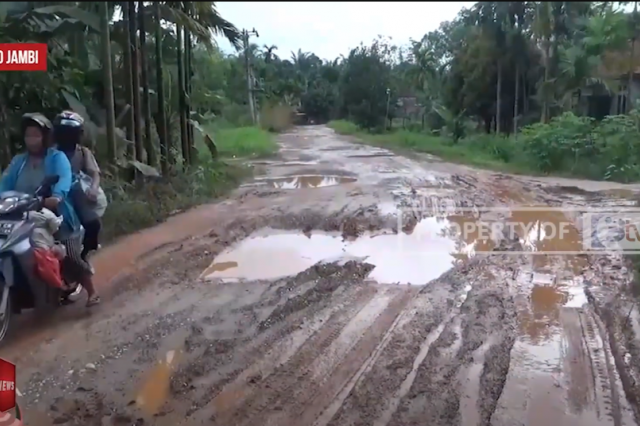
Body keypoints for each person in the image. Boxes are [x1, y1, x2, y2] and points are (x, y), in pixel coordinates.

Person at [0, 113, 100, 307]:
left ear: (45, 136)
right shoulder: (19, 162)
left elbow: (63, 178)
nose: (31, 139)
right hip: (21, 214)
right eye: (28, 135)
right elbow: (5, 184)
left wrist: (56, 196)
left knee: (69, 254)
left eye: (36, 134)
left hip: (56, 214)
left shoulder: (57, 157)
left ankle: (91, 289)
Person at [52, 111, 105, 262]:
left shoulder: (82, 152)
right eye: (64, 132)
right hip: (54, 195)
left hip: (76, 194)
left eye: (71, 133)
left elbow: (94, 173)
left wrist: (93, 188)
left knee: (93, 224)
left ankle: (85, 254)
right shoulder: (50, 153)